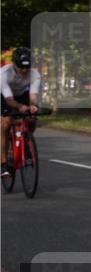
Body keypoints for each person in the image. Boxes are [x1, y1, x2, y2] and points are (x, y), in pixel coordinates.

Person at [1, 47, 41, 177]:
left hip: (22, 94)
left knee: (31, 117)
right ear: (14, 64)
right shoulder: (4, 74)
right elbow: (9, 99)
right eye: (20, 67)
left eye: (27, 67)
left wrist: (33, 106)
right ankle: (3, 164)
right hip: (5, 96)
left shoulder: (34, 74)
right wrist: (20, 107)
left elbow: (33, 96)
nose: (24, 71)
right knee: (5, 124)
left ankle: (26, 141)